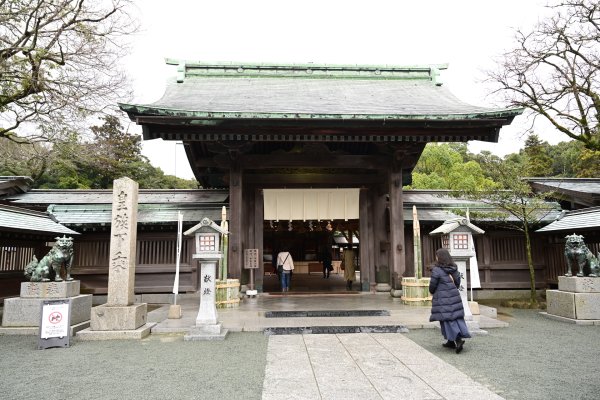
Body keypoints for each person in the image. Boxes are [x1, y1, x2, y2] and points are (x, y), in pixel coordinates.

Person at [429, 248, 471, 354]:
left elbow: (433, 285)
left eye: (437, 255)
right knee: (455, 316)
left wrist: (432, 292)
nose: (436, 257)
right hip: (453, 295)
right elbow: (457, 281)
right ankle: (450, 341)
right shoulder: (453, 267)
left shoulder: (437, 270)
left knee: (446, 319)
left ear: (440, 257)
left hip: (442, 297)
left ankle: (458, 340)